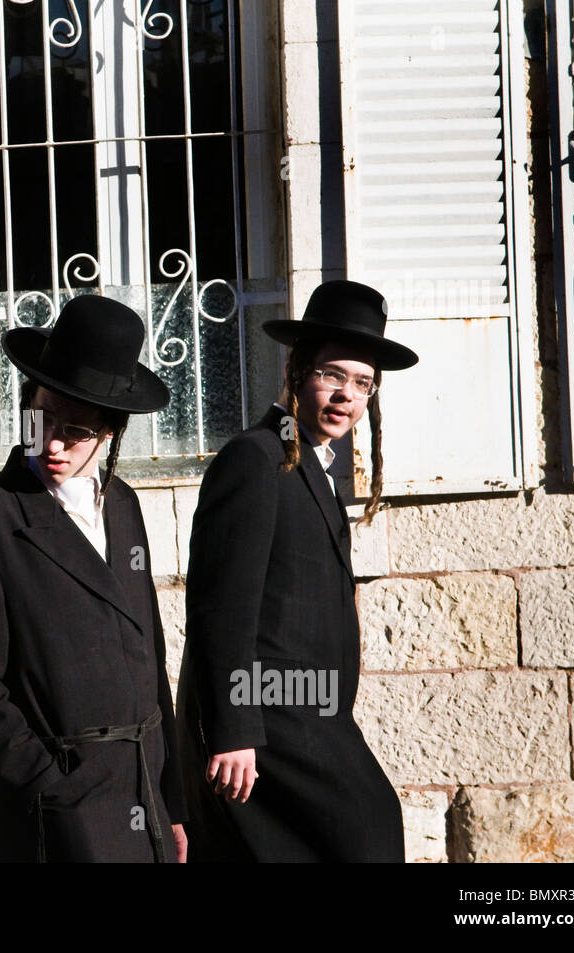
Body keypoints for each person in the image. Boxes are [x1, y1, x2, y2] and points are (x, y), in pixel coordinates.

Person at [0, 294, 187, 862]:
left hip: (143, 800)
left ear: (111, 432)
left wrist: (172, 803)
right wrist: (45, 784)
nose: (51, 445)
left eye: (75, 431)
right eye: (40, 420)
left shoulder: (123, 506)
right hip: (57, 815)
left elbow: (151, 659)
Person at [176, 279, 417, 862]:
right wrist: (233, 732)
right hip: (271, 721)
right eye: (332, 375)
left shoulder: (314, 465)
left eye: (362, 384)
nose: (346, 396)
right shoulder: (256, 459)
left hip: (315, 716)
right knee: (370, 829)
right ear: (297, 369)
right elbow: (219, 606)